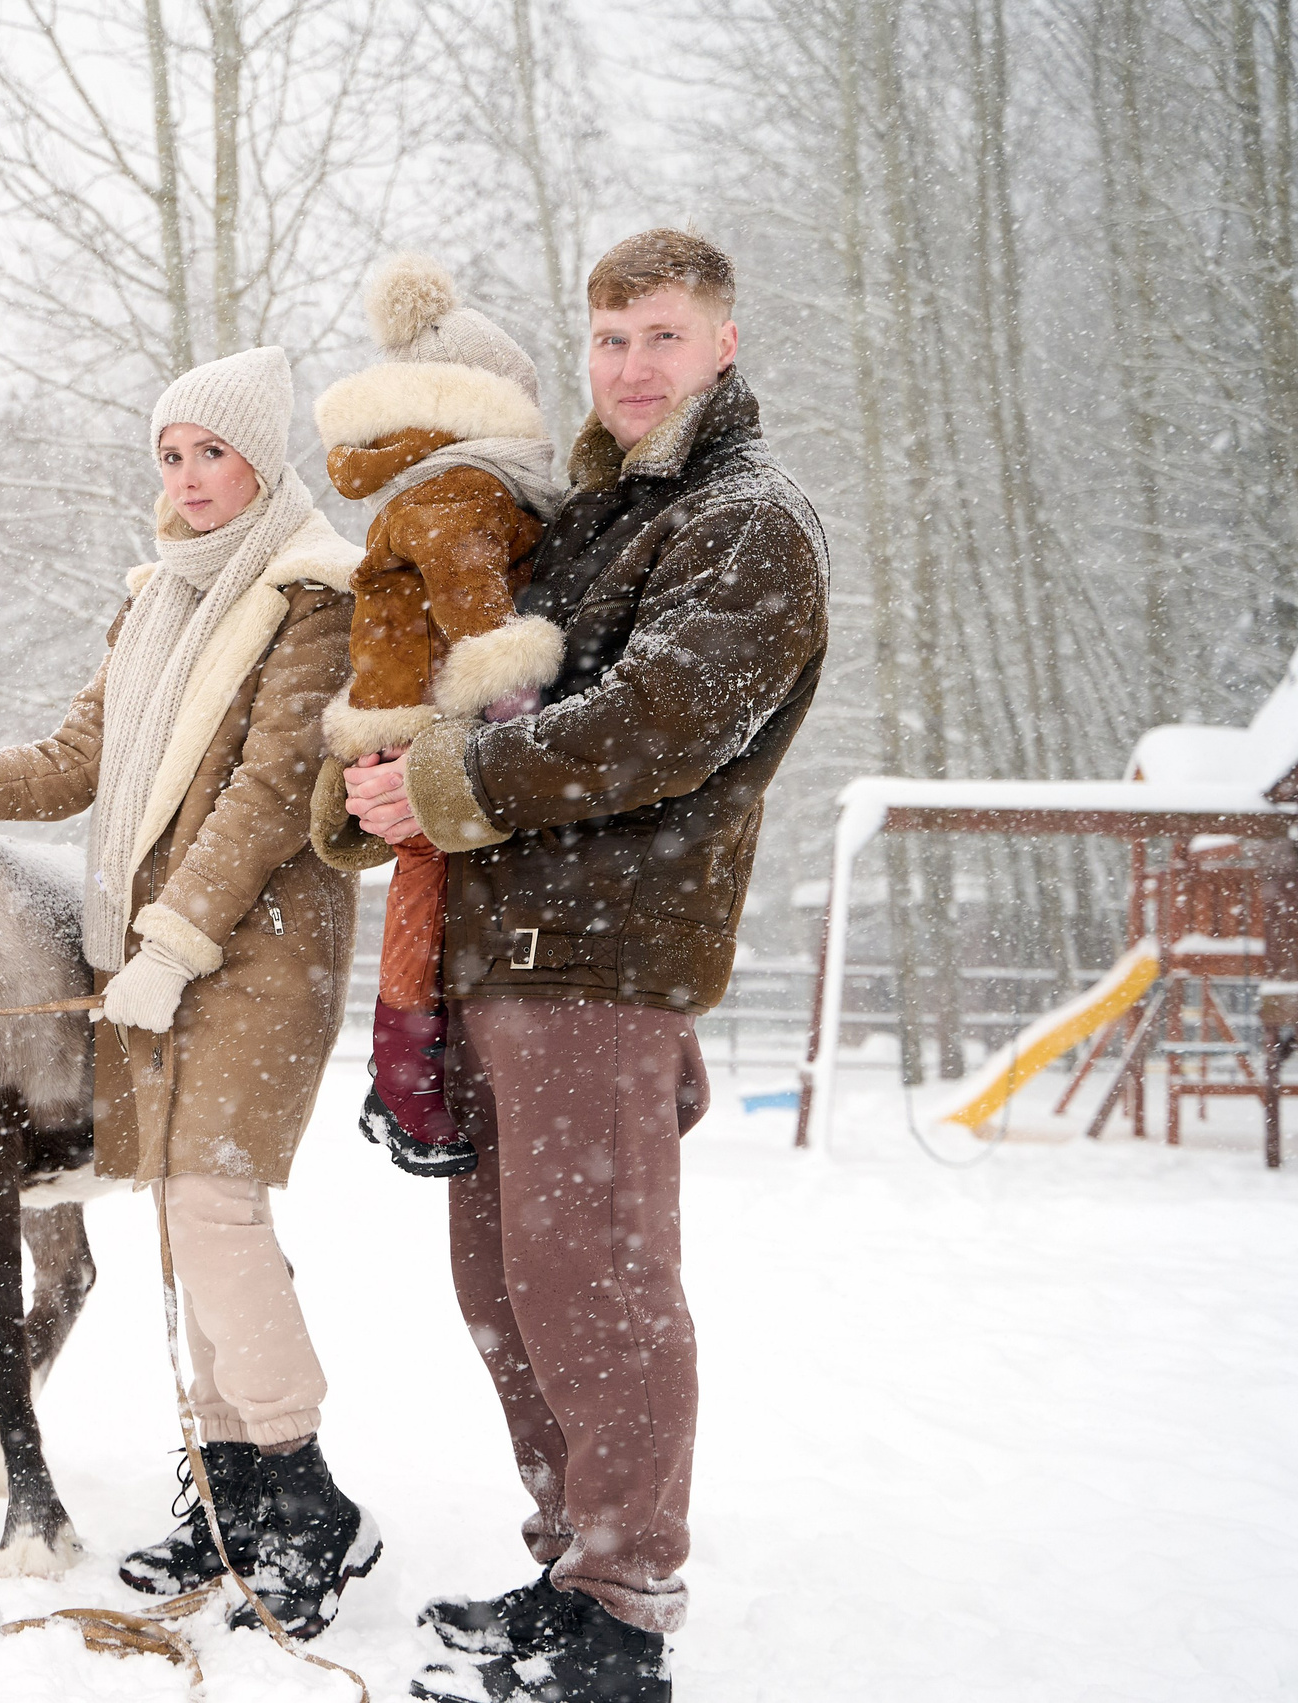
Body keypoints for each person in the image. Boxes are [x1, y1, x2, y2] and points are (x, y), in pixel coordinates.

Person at [312, 230, 829, 1703]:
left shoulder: (745, 521)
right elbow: (476, 679)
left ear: (724, 341)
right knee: (505, 1277)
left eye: (662, 336)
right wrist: (388, 777)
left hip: (606, 953)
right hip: (501, 946)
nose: (631, 367)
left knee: (594, 1278)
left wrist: (455, 781)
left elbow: (660, 720)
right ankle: (567, 1560)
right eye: (609, 341)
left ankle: (624, 1600)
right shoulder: (591, 515)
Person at [0, 345, 378, 1640]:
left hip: (254, 956)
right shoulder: (154, 600)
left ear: (261, 459)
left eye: (211, 453)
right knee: (188, 1222)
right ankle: (231, 1487)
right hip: (152, 960)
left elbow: (269, 790)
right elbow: (81, 756)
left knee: (212, 1208)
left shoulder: (311, 598)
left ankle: (303, 1495)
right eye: (171, 456)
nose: (186, 478)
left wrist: (176, 938)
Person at [309, 251, 568, 1181]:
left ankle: (413, 1062)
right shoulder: (463, 489)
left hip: (402, 709)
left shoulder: (429, 485)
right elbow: (470, 594)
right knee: (432, 884)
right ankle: (409, 1073)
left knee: (433, 890)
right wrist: (519, 700)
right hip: (431, 717)